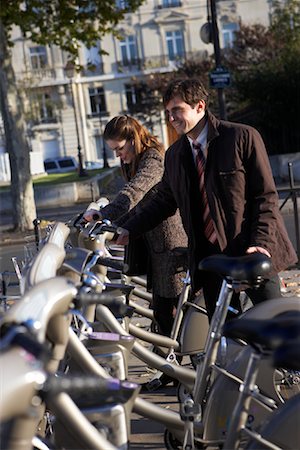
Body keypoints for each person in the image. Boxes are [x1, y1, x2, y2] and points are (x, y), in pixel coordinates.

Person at [116, 78, 298, 321]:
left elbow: (264, 198)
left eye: (177, 110)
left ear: (199, 106)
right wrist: (128, 228)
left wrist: (261, 243)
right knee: (223, 335)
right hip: (211, 260)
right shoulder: (175, 155)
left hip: (251, 251)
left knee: (277, 325)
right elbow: (163, 202)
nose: (172, 119)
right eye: (168, 112)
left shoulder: (241, 137)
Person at [83, 115, 188, 336]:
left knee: (175, 313)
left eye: (119, 148)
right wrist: (112, 224)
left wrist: (103, 216)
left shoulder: (153, 159)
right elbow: (135, 206)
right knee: (162, 313)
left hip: (169, 243)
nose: (118, 154)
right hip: (154, 244)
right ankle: (171, 365)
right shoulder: (134, 160)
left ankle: (186, 363)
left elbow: (133, 194)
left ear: (133, 138)